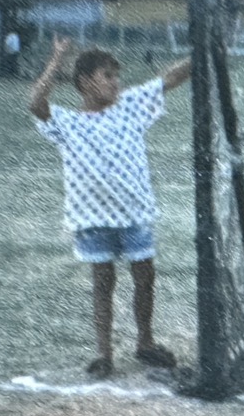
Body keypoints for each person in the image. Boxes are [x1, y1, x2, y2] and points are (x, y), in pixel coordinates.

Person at [30, 37, 191, 378]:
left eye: (117, 76)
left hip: (134, 214)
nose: (117, 83)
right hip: (92, 219)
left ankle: (145, 342)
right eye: (108, 76)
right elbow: (36, 103)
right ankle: (104, 354)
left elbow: (170, 79)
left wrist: (202, 54)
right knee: (103, 283)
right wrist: (57, 60)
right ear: (85, 82)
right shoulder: (67, 122)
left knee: (145, 276)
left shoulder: (130, 105)